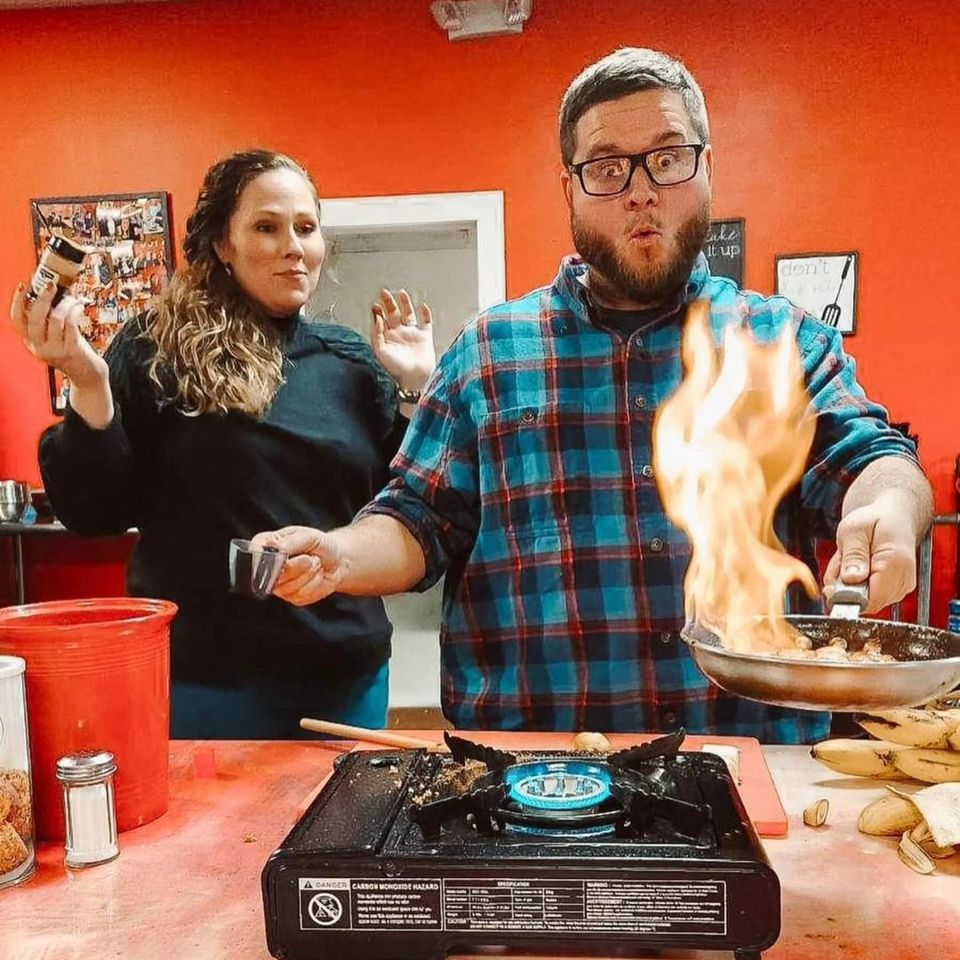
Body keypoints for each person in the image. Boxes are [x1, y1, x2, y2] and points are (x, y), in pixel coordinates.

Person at [254, 50, 933, 743]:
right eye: (607, 169)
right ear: (569, 189)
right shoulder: (487, 354)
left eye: (668, 158)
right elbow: (416, 520)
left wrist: (888, 504)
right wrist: (339, 556)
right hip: (529, 782)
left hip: (748, 770)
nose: (640, 192)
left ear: (706, 170)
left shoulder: (779, 341)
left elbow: (873, 456)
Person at [9, 149, 436, 739]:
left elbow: (409, 508)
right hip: (205, 681)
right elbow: (93, 511)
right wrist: (88, 380)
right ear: (221, 244)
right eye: (267, 226)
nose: (294, 246)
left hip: (344, 674)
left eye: (306, 228)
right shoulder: (156, 346)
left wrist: (415, 386)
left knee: (340, 831)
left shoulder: (352, 362)